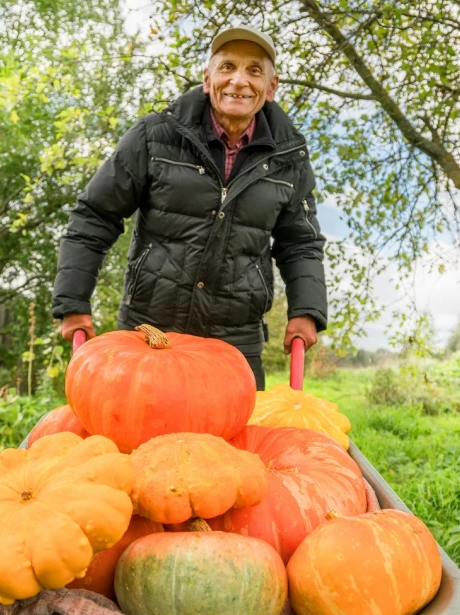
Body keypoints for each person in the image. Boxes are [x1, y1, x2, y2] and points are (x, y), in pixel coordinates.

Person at [51, 25, 327, 390]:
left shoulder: (289, 160)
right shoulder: (155, 136)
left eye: (254, 70)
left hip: (235, 345)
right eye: (227, 67)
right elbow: (95, 216)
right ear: (208, 79)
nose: (239, 81)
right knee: (135, 435)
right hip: (150, 334)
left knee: (232, 446)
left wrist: (306, 312)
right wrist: (72, 301)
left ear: (271, 87)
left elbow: (300, 244)